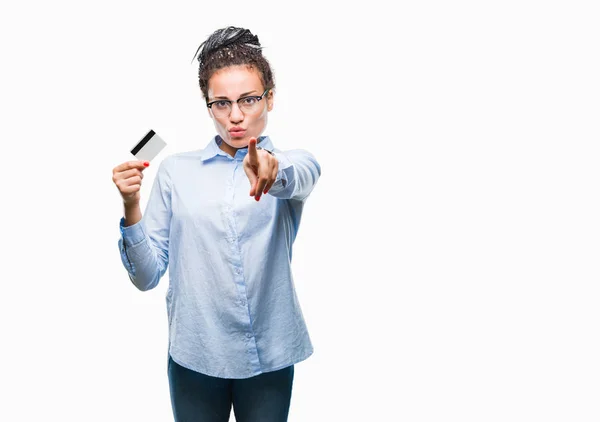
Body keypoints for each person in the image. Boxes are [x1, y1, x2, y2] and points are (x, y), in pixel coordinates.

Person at [112, 26, 321, 422]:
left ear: (270, 99)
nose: (236, 116)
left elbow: (301, 175)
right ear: (207, 105)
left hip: (268, 356)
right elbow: (146, 276)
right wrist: (130, 204)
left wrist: (272, 174)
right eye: (221, 103)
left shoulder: (291, 161)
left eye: (248, 100)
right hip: (196, 353)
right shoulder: (176, 170)